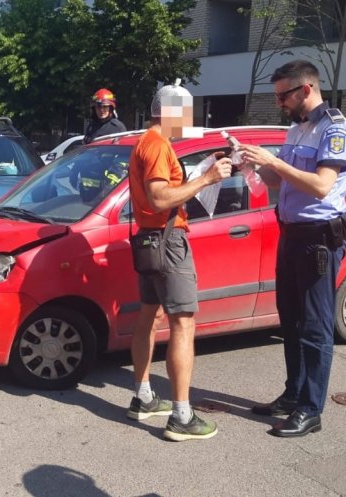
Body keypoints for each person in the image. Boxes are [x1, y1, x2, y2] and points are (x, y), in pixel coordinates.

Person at [240, 60, 346, 438]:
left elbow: (320, 186)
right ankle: (293, 393)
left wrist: (273, 162)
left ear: (306, 89)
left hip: (318, 237)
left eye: (284, 94)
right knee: (292, 320)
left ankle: (311, 409)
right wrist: (252, 165)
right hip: (292, 234)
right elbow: (276, 182)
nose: (279, 102)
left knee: (316, 327)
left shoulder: (333, 128)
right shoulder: (296, 129)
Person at [127, 81, 232, 441]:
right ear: (170, 112)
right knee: (182, 324)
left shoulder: (148, 143)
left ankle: (143, 397)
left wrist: (202, 170)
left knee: (148, 316)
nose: (190, 119)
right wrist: (206, 178)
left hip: (148, 240)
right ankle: (182, 416)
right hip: (168, 241)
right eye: (186, 113)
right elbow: (159, 198)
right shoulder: (157, 145)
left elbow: (161, 189)